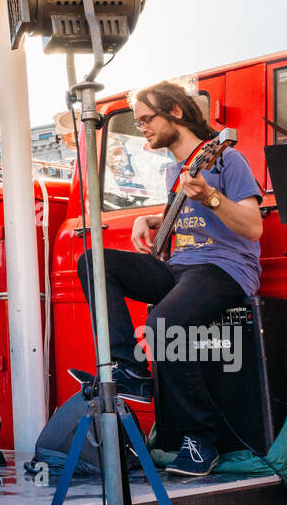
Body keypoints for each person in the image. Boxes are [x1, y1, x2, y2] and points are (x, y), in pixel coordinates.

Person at [77, 80, 264, 477]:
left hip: (225, 267)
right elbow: (190, 219)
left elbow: (252, 227)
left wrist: (211, 196)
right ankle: (128, 367)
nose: (141, 127)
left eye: (147, 119)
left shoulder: (227, 159)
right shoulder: (173, 171)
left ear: (175, 112)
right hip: (180, 266)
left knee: (163, 322)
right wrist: (151, 218)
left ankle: (201, 440)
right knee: (94, 261)